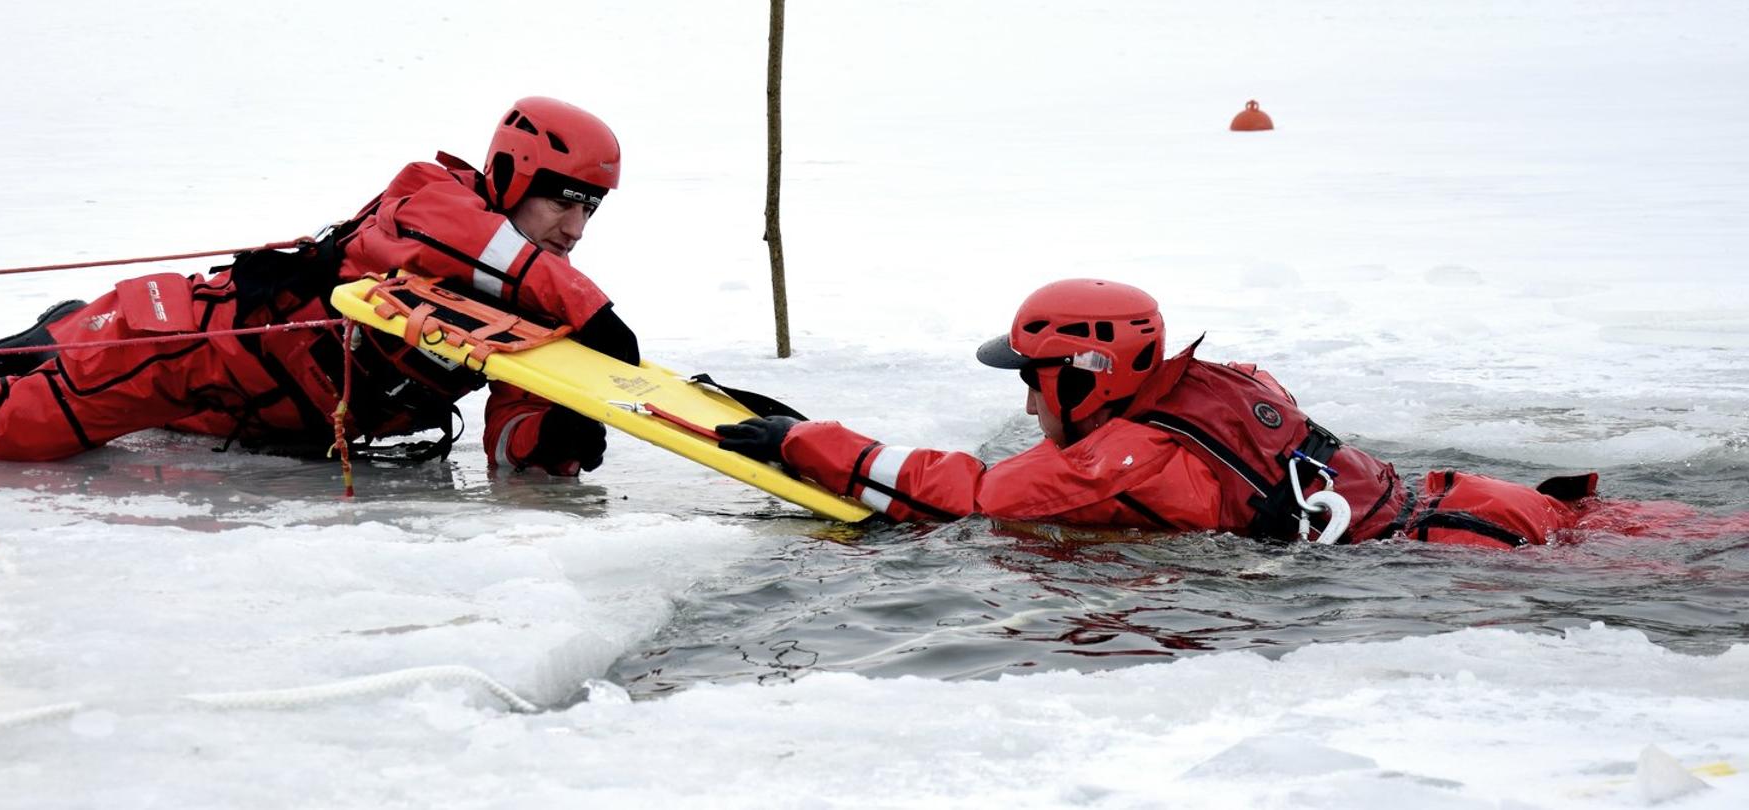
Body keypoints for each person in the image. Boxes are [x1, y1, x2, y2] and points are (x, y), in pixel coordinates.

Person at [0, 97, 638, 475]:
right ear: (511, 173)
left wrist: (553, 443)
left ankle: (59, 333)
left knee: (94, 391)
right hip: (199, 350)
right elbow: (466, 243)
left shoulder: (539, 300)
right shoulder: (431, 200)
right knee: (7, 422)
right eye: (562, 199)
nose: (574, 228)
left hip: (262, 421)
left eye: (590, 210)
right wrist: (597, 315)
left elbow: (513, 444)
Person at [716, 279, 1749, 548]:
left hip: (1466, 547)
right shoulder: (1214, 383)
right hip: (1487, 508)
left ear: (1085, 372)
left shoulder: (1114, 454)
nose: (1028, 398)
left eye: (1034, 375)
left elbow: (979, 497)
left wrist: (809, 440)